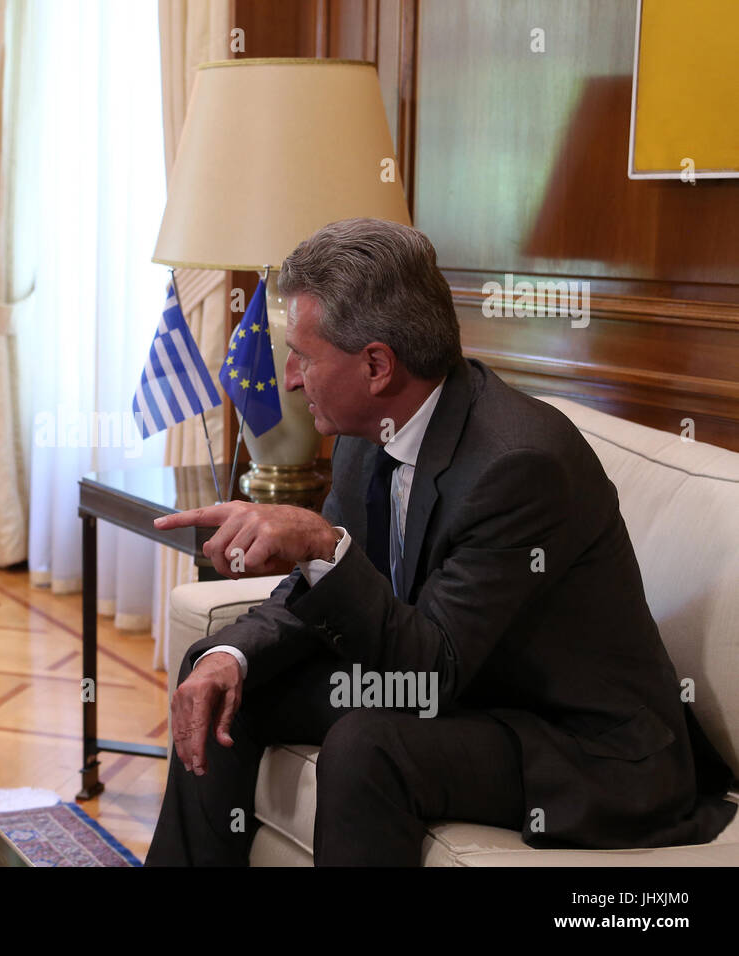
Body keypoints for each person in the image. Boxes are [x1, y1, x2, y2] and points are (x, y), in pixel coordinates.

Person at [145, 217, 736, 866]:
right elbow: (335, 594)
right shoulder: (365, 436)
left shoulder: (520, 466)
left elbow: (433, 666)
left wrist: (320, 542)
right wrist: (234, 654)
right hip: (469, 688)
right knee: (220, 675)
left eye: (305, 357)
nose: (289, 378)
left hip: (583, 744)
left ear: (376, 365)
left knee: (367, 747)